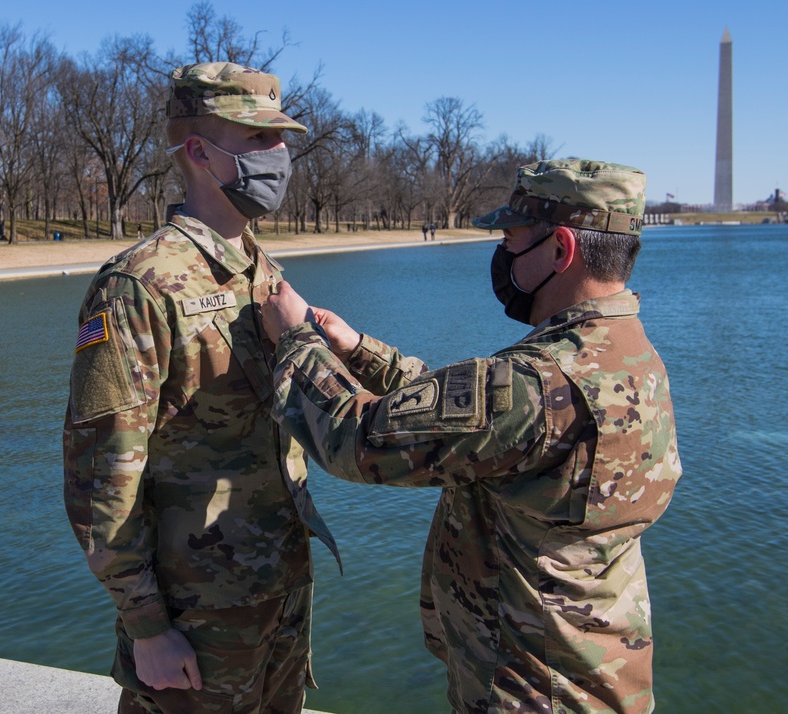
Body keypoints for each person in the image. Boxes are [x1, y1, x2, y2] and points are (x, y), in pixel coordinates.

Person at [260, 159, 682, 713]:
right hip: (597, 679)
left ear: (560, 250)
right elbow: (475, 424)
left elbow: (357, 439)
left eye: (511, 238)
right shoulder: (630, 357)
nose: (502, 254)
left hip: (528, 693)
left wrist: (296, 341)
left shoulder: (537, 383)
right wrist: (358, 349)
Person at [62, 62, 340, 714]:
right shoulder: (138, 285)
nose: (279, 157)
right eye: (256, 140)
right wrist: (147, 625)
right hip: (197, 613)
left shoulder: (259, 267)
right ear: (197, 153)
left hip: (279, 588)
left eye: (281, 141)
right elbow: (101, 475)